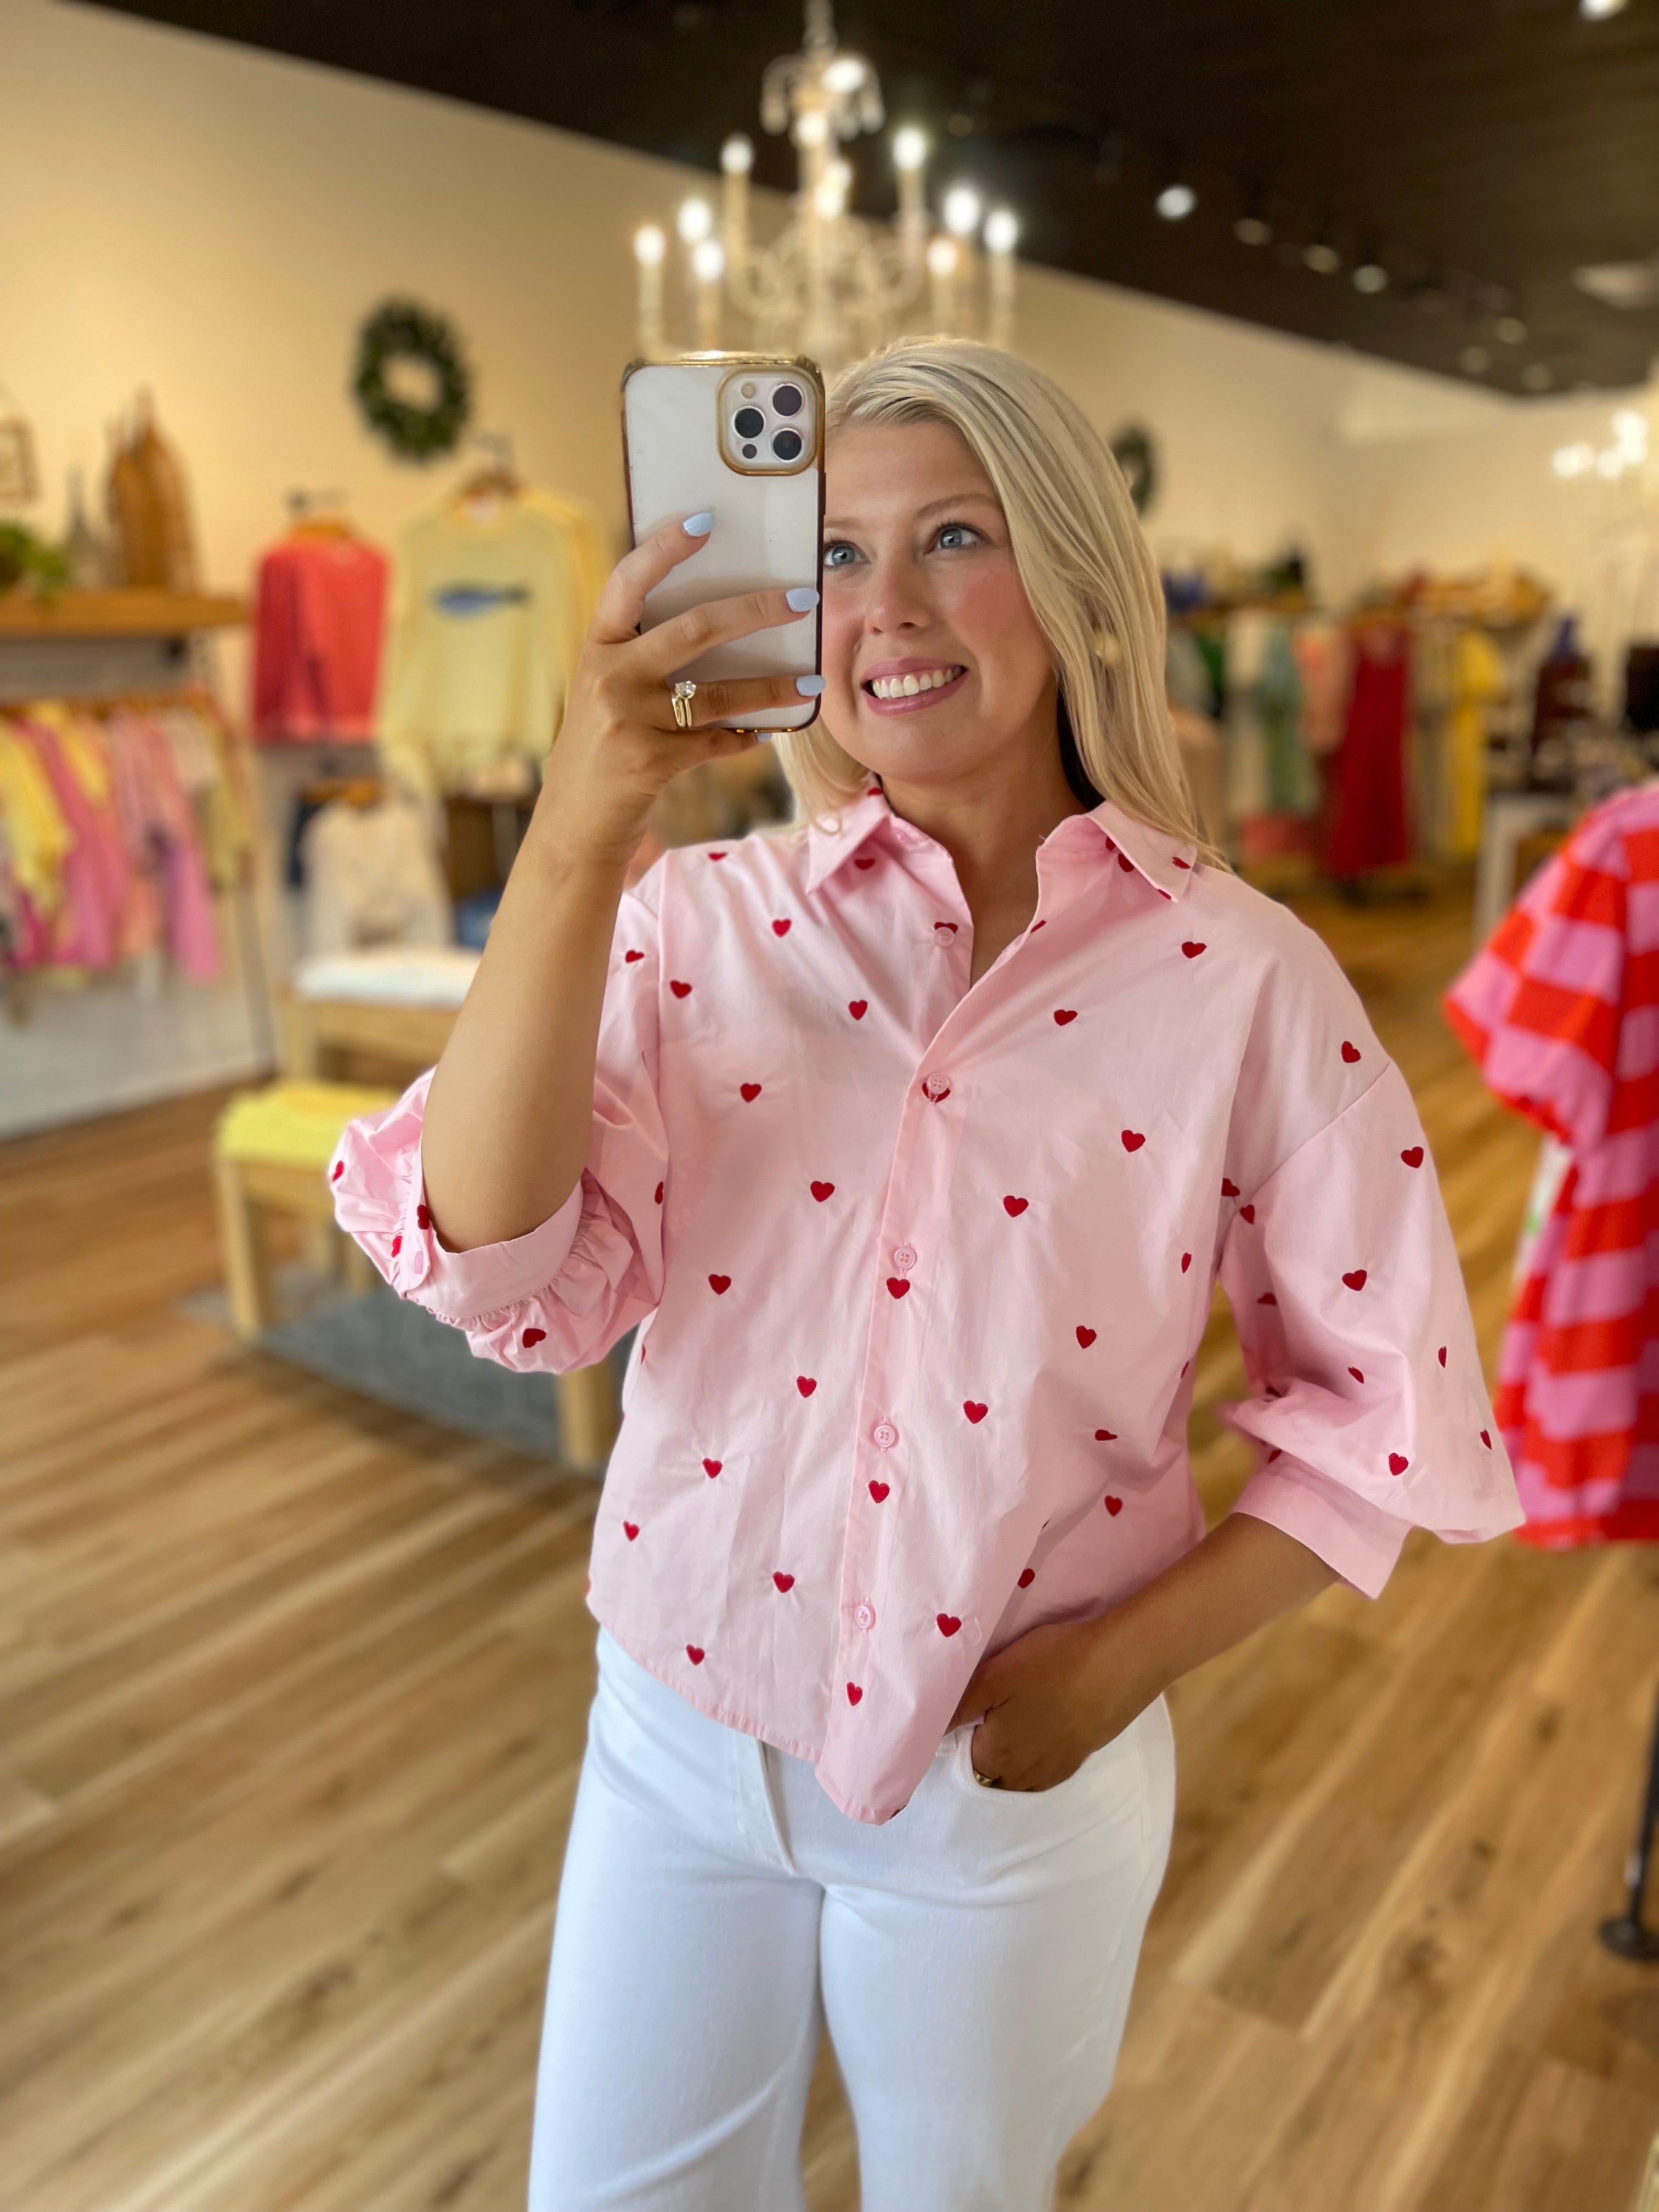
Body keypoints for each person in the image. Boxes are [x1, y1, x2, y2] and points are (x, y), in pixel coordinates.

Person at [331, 337, 1523, 2210]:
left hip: (1014, 1768)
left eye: (951, 535)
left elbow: (1393, 1420)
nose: (879, 606)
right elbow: (497, 1267)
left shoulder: (1240, 983)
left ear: (1068, 577)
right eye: (826, 553)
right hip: (674, 1735)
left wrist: (1111, 1677)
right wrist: (578, 834)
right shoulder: (691, 925)